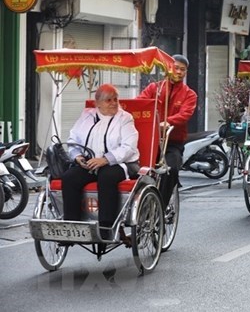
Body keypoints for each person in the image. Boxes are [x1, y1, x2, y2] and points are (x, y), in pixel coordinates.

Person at [62, 84, 140, 240]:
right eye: (108, 100)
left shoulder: (125, 118)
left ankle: (106, 227)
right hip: (91, 163)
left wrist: (105, 159)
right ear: (97, 103)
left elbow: (128, 147)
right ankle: (72, 226)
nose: (113, 103)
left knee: (106, 176)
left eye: (115, 99)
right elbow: (73, 139)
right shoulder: (87, 115)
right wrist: (77, 156)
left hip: (121, 163)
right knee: (69, 177)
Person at [137, 54, 197, 207]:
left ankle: (160, 208)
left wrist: (168, 122)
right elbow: (140, 104)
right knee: (135, 168)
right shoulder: (154, 88)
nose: (178, 72)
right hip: (151, 139)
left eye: (182, 70)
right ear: (168, 67)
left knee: (172, 169)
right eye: (175, 68)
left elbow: (185, 114)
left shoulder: (189, 94)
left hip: (173, 141)